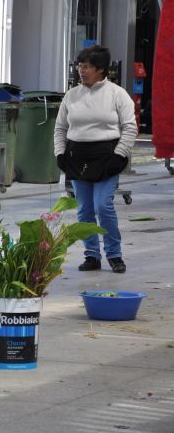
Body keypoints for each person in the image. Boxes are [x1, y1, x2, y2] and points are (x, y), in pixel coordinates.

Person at [54, 45, 137, 274]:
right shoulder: (72, 95)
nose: (82, 70)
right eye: (80, 65)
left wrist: (119, 155)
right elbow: (60, 128)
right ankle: (91, 254)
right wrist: (60, 153)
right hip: (77, 157)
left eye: (87, 66)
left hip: (107, 158)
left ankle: (114, 254)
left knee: (103, 205)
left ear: (101, 69)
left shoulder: (117, 94)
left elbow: (130, 128)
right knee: (84, 210)